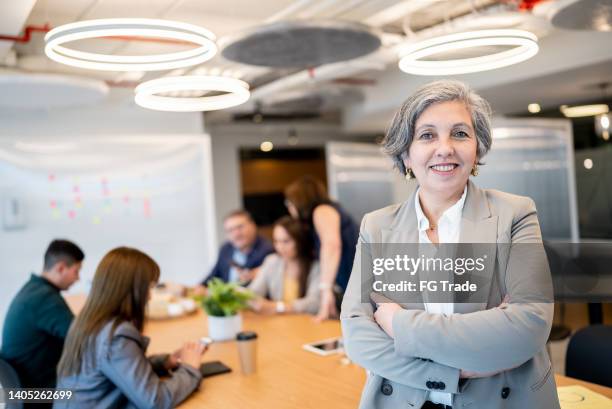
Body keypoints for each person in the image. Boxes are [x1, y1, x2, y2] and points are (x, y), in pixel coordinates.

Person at [341, 80, 559, 409]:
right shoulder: (377, 227)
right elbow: (358, 337)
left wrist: (399, 324)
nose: (445, 148)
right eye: (427, 135)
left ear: (477, 150)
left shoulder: (514, 214)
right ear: (406, 154)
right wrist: (454, 371)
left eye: (460, 133)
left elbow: (529, 325)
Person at [55, 247, 206, 409]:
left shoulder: (88, 320)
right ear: (131, 289)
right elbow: (155, 401)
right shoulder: (115, 336)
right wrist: (189, 368)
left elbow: (118, 368)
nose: (149, 296)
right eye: (148, 287)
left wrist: (164, 362)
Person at [1, 239, 83, 395]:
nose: (78, 278)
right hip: (38, 391)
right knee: (104, 387)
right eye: (76, 271)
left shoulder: (34, 290)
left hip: (22, 386)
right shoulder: (46, 299)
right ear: (61, 268)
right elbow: (81, 337)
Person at [284, 176, 359, 321]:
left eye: (289, 202)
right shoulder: (324, 213)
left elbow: (331, 245)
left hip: (360, 287)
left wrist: (326, 290)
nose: (289, 207)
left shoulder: (322, 210)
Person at [248, 216, 320, 315]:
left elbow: (315, 303)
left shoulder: (316, 266)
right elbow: (254, 292)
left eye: (286, 241)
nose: (280, 247)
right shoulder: (272, 261)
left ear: (300, 241)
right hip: (279, 322)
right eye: (276, 241)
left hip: (307, 323)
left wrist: (278, 307)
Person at [202, 210, 273, 286]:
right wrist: (198, 287)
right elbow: (213, 276)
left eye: (240, 227)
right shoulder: (226, 249)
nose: (236, 234)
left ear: (253, 225)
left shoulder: (267, 250)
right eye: (230, 230)